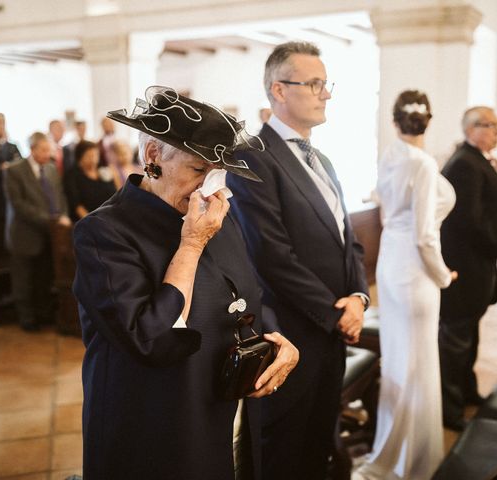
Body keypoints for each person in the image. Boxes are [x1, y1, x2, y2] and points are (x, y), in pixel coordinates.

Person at [73, 86, 299, 480]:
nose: (210, 188)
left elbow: (246, 298)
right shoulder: (104, 233)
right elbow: (148, 337)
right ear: (153, 155)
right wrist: (191, 244)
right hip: (155, 426)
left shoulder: (220, 215)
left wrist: (277, 342)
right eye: (198, 170)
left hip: (224, 413)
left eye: (218, 173)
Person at [227, 42, 369, 480]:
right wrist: (335, 312)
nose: (325, 93)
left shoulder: (321, 158)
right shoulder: (253, 156)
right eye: (313, 83)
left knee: (317, 446)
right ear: (279, 90)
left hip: (330, 331)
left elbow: (349, 240)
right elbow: (272, 256)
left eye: (326, 84)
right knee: (281, 452)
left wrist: (359, 297)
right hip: (290, 328)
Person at [353, 90, 457, 480]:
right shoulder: (424, 164)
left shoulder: (390, 155)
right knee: (419, 363)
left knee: (400, 359)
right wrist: (444, 275)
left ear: (396, 122)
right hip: (416, 270)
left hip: (390, 265)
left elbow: (383, 205)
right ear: (427, 122)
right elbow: (426, 235)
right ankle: (413, 461)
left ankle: (394, 450)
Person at [438, 106, 497, 431]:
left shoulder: (477, 159)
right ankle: (450, 411)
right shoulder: (464, 165)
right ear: (473, 128)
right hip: (464, 269)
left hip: (476, 268)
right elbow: (469, 221)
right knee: (456, 341)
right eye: (492, 125)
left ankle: (468, 394)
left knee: (469, 335)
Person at [4, 132, 71, 331]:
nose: (48, 153)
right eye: (43, 150)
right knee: (23, 278)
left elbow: (59, 197)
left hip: (50, 234)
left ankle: (44, 313)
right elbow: (19, 204)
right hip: (25, 233)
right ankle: (27, 318)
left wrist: (63, 217)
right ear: (32, 149)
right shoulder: (14, 171)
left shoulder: (51, 169)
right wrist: (49, 221)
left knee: (44, 276)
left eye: (49, 149)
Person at [63, 140, 116, 222]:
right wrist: (91, 222)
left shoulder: (103, 170)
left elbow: (114, 195)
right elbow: (76, 205)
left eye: (96, 155)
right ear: (80, 157)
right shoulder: (72, 175)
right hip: (86, 220)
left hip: (108, 218)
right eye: (89, 156)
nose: (93, 159)